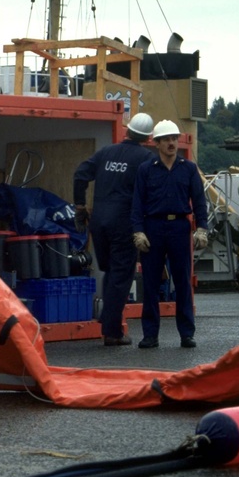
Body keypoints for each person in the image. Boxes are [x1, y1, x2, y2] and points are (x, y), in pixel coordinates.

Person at [72, 112, 155, 346]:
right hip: (123, 222)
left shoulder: (106, 153)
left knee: (110, 272)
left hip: (98, 221)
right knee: (120, 275)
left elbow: (80, 175)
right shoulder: (145, 158)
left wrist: (80, 204)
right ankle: (112, 331)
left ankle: (109, 323)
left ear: (127, 131)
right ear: (148, 137)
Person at [131, 119, 209, 350]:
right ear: (157, 143)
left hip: (179, 229)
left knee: (183, 282)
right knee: (151, 283)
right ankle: (150, 335)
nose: (171, 143)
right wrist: (138, 231)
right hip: (153, 228)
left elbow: (199, 200)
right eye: (166, 139)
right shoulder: (146, 170)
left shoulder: (188, 168)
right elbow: (137, 203)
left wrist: (202, 228)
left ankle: (186, 334)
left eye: (174, 138)